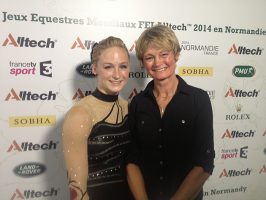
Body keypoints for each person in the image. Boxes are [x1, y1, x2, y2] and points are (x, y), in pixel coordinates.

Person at [127, 25, 215, 200]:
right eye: (149, 57)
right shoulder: (137, 103)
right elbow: (131, 160)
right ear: (143, 62)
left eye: (164, 54)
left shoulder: (199, 100)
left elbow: (204, 163)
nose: (158, 62)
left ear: (176, 54)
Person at [62, 36, 133, 200]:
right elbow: (77, 190)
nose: (117, 74)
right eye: (108, 67)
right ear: (94, 69)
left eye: (123, 66)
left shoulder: (129, 107)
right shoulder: (80, 115)